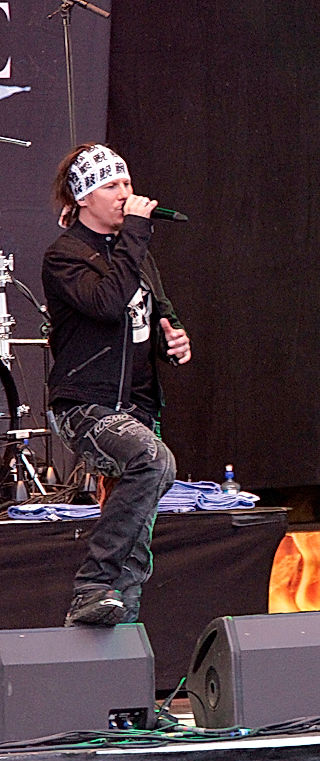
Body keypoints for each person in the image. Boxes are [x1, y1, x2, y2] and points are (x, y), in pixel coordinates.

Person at [42, 143, 191, 626]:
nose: (125, 193)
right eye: (112, 185)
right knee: (153, 461)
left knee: (138, 544)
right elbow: (107, 303)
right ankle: (91, 581)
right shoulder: (65, 256)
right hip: (86, 405)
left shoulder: (135, 253)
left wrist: (172, 333)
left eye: (126, 182)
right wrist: (138, 234)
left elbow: (156, 305)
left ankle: (110, 660)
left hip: (138, 406)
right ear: (84, 197)